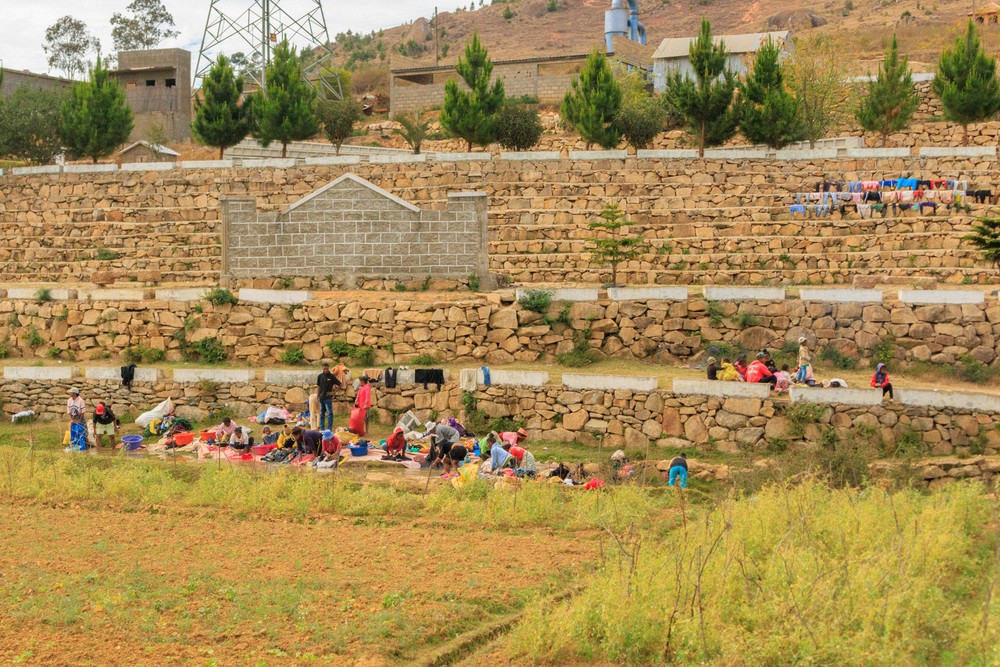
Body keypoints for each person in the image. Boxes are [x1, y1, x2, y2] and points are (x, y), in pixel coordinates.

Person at [316, 363, 341, 432]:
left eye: (327, 368)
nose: (326, 370)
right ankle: (321, 428)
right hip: (321, 398)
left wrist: (333, 392)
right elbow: (318, 387)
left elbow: (340, 385)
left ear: (328, 368)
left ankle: (329, 429)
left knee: (330, 413)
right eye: (324, 368)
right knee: (321, 413)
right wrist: (317, 396)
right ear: (322, 368)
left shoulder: (332, 376)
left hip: (328, 398)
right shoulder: (320, 376)